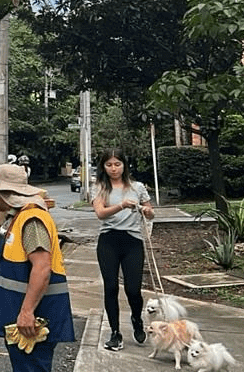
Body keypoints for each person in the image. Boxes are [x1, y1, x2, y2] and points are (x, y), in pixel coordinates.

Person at [0, 163, 75, 372]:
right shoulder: (20, 217)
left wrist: (26, 312)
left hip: (32, 320)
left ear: (4, 193)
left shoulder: (32, 219)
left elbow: (42, 268)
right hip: (25, 318)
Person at [91, 148, 154, 351]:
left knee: (133, 289)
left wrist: (146, 210)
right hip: (108, 241)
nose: (113, 168)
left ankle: (136, 318)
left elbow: (151, 213)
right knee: (110, 287)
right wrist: (122, 205)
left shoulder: (137, 187)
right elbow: (100, 213)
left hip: (133, 241)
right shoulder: (100, 187)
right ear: (103, 167)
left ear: (125, 165)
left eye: (117, 164)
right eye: (109, 165)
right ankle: (115, 333)